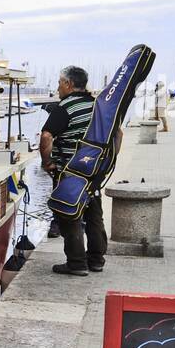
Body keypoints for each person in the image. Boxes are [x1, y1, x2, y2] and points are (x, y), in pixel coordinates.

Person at [40, 65, 106, 276]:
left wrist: (47, 162)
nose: (58, 87)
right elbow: (119, 134)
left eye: (60, 82)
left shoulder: (64, 107)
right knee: (94, 213)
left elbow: (46, 137)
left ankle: (76, 263)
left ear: (68, 84)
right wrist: (104, 163)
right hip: (93, 170)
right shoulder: (98, 106)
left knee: (70, 214)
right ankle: (96, 260)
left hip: (69, 170)